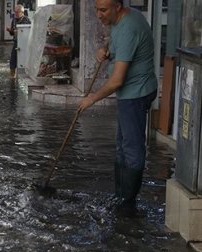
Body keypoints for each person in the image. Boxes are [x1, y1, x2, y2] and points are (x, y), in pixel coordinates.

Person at [76, 0, 157, 217]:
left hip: (136, 93)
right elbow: (119, 46)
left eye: (103, 10)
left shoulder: (130, 26)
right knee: (122, 146)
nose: (98, 15)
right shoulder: (119, 21)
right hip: (129, 93)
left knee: (131, 148)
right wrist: (106, 51)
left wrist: (91, 99)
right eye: (96, 9)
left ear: (118, 7)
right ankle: (120, 196)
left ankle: (128, 204)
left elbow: (116, 80)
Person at [6, 4, 31, 79]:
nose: (16, 14)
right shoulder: (14, 20)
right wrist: (10, 31)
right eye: (15, 12)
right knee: (13, 58)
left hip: (25, 43)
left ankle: (25, 73)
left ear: (22, 12)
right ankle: (12, 74)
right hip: (16, 41)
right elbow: (12, 33)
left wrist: (18, 32)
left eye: (18, 12)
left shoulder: (27, 20)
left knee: (23, 58)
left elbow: (28, 32)